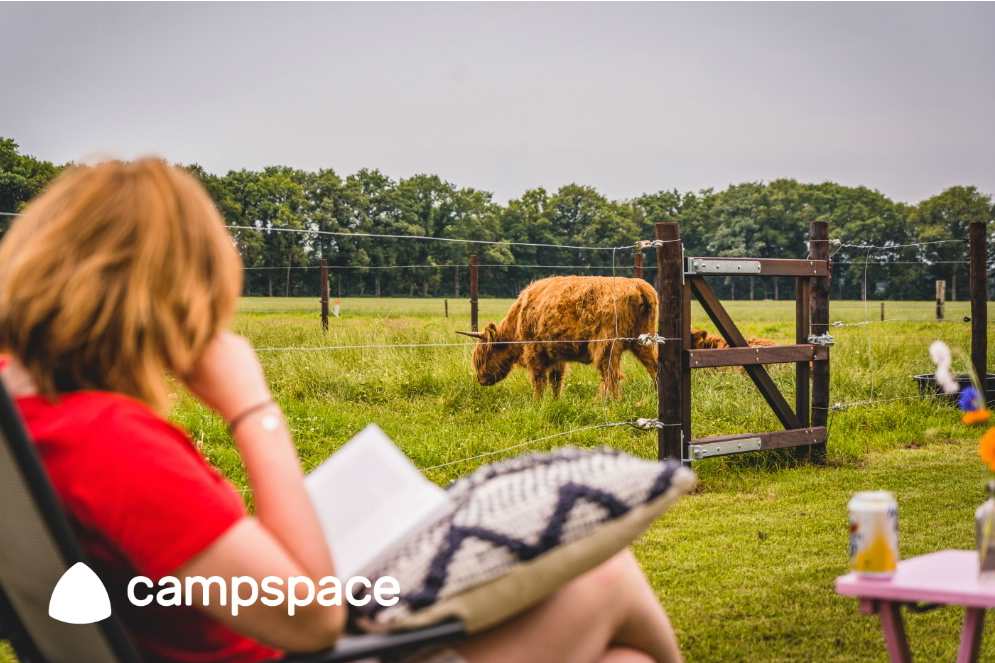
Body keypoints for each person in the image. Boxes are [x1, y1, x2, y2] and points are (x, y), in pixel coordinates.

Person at [0, 159, 683, 663]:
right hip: (302, 649)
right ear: (170, 304)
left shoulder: (27, 417)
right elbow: (312, 621)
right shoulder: (109, 443)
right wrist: (252, 408)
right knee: (605, 573)